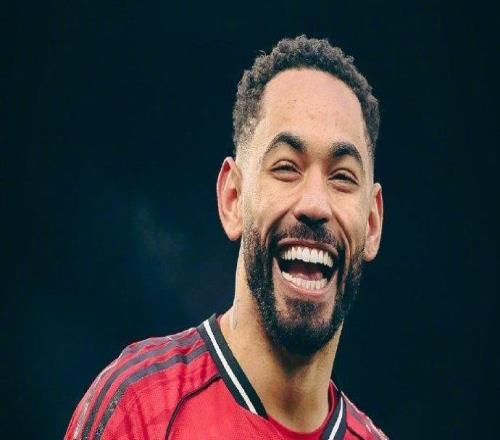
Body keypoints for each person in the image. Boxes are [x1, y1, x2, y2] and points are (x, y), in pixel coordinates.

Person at [65, 35, 387, 440]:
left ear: (371, 223)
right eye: (286, 168)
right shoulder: (138, 407)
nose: (315, 204)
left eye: (342, 177)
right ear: (233, 198)